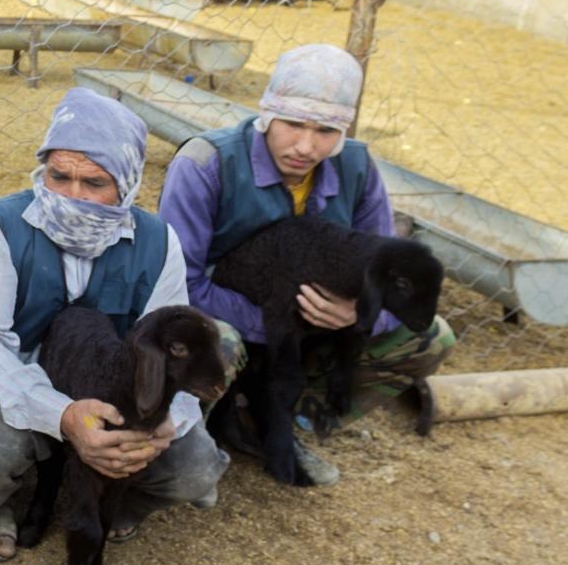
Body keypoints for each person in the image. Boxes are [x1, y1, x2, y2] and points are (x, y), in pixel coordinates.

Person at [0, 88, 228, 562]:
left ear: (129, 184)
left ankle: (123, 503)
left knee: (193, 469)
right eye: (59, 176)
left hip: (117, 395)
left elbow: (173, 350)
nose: (73, 196)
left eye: (94, 182)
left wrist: (160, 430)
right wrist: (64, 416)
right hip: (5, 383)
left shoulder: (159, 243)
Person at [158, 43, 455, 485]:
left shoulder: (357, 167)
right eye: (293, 124)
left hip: (313, 332)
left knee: (429, 338)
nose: (306, 146)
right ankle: (176, 447)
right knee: (218, 343)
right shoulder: (206, 164)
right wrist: (286, 323)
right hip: (234, 316)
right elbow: (179, 285)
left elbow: (388, 267)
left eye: (326, 130)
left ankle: (278, 421)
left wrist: (358, 315)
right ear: (267, 114)